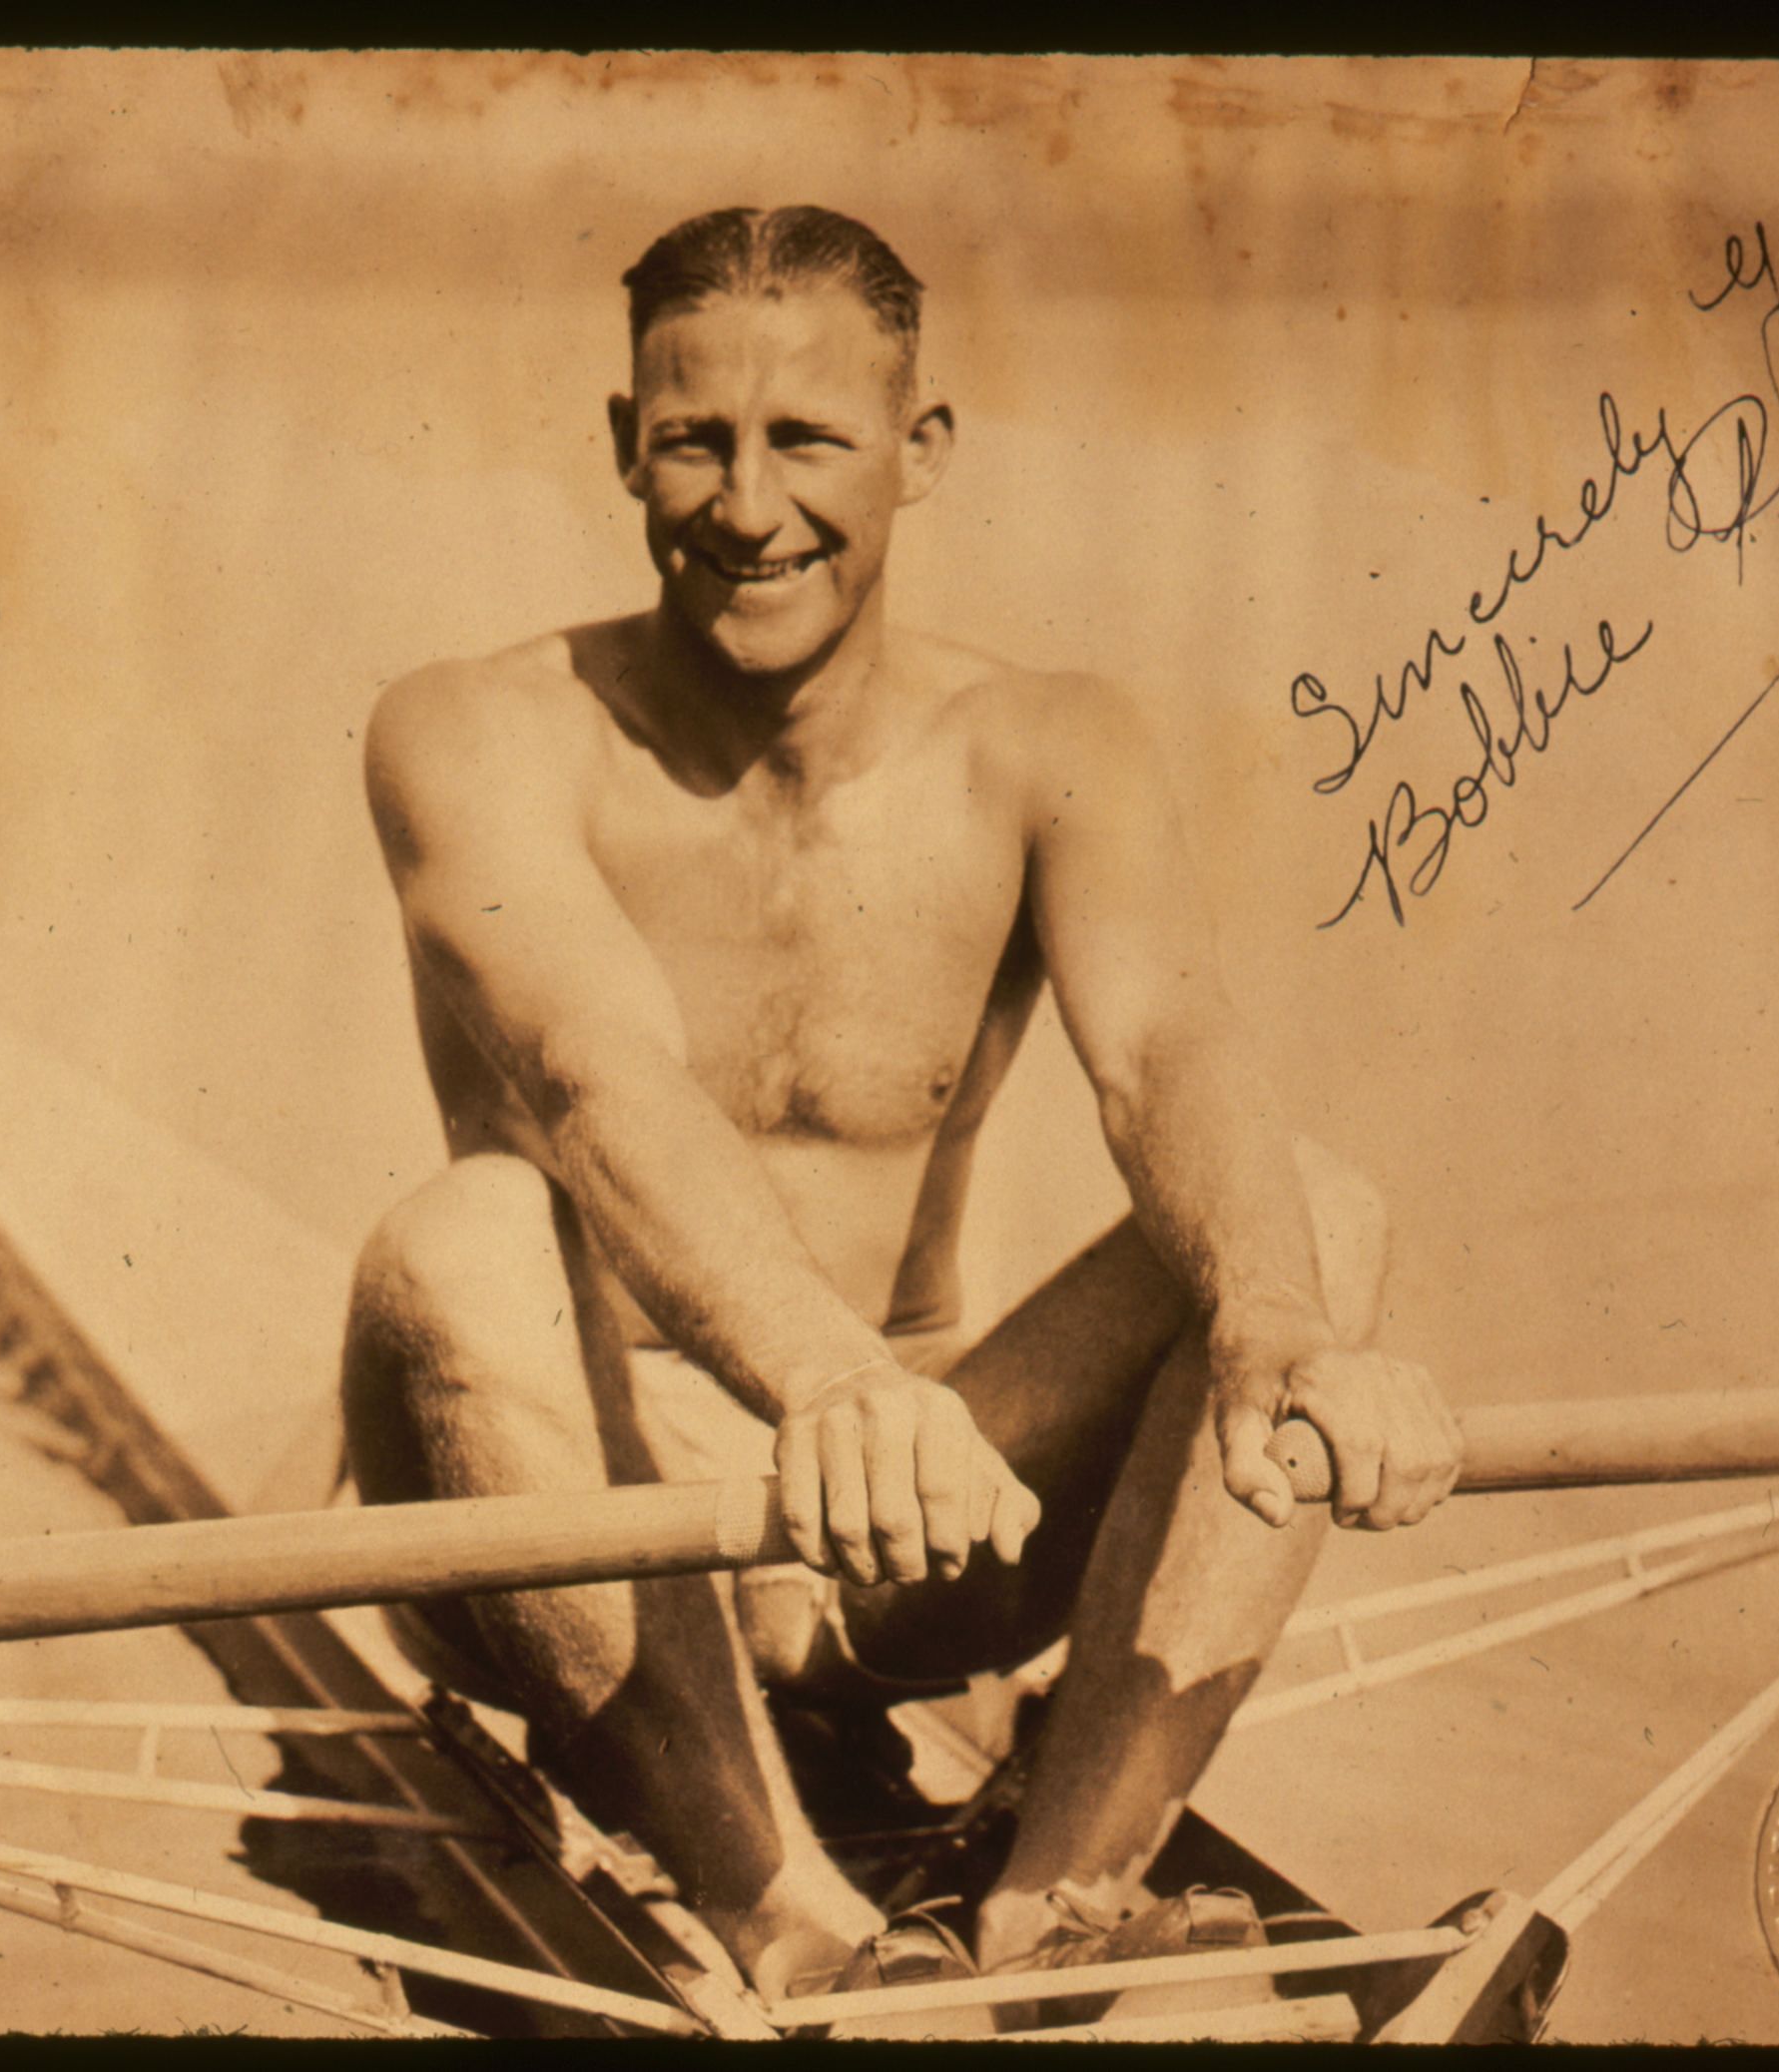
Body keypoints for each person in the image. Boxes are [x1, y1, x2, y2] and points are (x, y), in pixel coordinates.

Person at [341, 204, 1462, 2027]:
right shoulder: (470, 727)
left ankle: (1059, 1903)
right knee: (461, 1233)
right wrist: (829, 1379)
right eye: (695, 437)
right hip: (594, 1513)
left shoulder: (1047, 742)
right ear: (625, 439)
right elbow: (585, 1071)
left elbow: (1161, 1051)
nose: (746, 503)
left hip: (905, 1534)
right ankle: (786, 1920)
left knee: (1312, 1213)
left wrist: (1273, 1320)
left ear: (920, 452)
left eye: (808, 442)